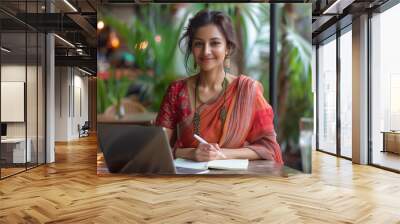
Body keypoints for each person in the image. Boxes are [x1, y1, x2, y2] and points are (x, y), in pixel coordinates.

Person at [155, 10, 283, 164]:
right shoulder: (177, 91)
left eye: (215, 43)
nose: (206, 51)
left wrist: (221, 153)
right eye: (198, 44)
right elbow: (158, 149)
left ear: (227, 47)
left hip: (236, 182)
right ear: (191, 48)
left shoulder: (247, 90)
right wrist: (191, 153)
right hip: (186, 181)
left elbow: (269, 148)